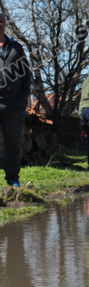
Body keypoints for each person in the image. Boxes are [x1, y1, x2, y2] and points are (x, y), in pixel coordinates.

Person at [0, 12, 31, 187]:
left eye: (1, 21)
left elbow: (26, 75)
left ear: (5, 24)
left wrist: (23, 98)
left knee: (13, 143)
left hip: (14, 104)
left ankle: (12, 179)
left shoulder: (16, 47)